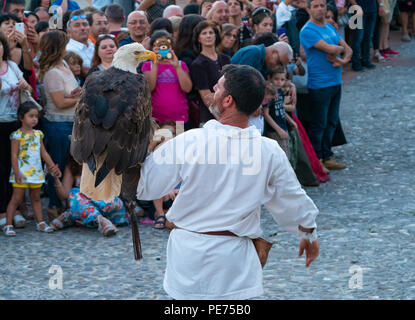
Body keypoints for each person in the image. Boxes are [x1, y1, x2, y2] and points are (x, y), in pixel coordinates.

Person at [136, 64, 320, 300]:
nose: (214, 88)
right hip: (235, 262)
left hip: (190, 261)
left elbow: (146, 186)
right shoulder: (269, 151)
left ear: (227, 101)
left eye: (219, 86)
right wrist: (309, 235)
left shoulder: (189, 141)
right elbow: (291, 200)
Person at [299, 0, 352, 171]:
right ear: (309, 9)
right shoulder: (308, 30)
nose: (320, 9)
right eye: (316, 6)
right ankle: (318, 158)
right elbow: (331, 48)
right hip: (319, 84)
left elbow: (348, 50)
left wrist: (341, 60)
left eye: (322, 5)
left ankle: (327, 155)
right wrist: (337, 51)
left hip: (336, 81)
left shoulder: (329, 28)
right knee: (319, 123)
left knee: (331, 121)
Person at [3, 102, 61, 236]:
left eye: (36, 116)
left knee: (35, 198)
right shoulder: (16, 136)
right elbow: (13, 155)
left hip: (35, 172)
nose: (34, 119)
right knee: (16, 199)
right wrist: (16, 172)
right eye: (31, 116)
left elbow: (44, 152)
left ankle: (40, 222)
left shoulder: (38, 134)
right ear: (21, 117)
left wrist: (52, 166)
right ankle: (8, 224)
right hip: (21, 172)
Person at [39, 30, 80, 218]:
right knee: (57, 164)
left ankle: (64, 203)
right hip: (57, 125)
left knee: (67, 165)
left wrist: (76, 94)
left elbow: (68, 95)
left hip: (70, 123)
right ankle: (54, 205)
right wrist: (81, 98)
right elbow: (60, 103)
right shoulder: (52, 73)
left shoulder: (63, 65)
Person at [49, 154, 128, 236]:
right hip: (84, 206)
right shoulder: (73, 166)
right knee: (75, 194)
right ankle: (101, 221)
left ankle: (68, 216)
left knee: (82, 197)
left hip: (105, 204)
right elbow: (64, 196)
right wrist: (56, 178)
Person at [0, 31, 33, 229]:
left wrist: (23, 85)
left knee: (15, 167)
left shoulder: (11, 66)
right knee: (1, 168)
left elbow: (28, 87)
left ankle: (15, 209)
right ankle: (3, 210)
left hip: (14, 121)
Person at [142, 30, 192, 124]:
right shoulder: (148, 65)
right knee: (159, 139)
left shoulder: (181, 64)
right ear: (152, 48)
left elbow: (187, 88)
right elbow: (149, 88)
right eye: (156, 45)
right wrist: (156, 62)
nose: (160, 48)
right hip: (156, 118)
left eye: (163, 45)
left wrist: (176, 66)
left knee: (180, 138)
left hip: (179, 117)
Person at [190, 20, 231, 125]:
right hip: (210, 119)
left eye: (211, 33)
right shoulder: (198, 64)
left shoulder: (226, 59)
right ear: (199, 38)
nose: (208, 36)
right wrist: (223, 120)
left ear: (215, 36)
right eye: (204, 33)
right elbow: (207, 99)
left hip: (230, 113)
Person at [349, 0, 384, 71]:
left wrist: (381, 5)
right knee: (358, 38)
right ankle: (356, 62)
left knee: (368, 37)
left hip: (372, 10)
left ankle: (366, 60)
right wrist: (357, 7)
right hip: (358, 11)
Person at [263, 68, 291, 158]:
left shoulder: (279, 92)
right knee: (280, 155)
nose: (279, 82)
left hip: (283, 126)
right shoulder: (269, 94)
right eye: (276, 79)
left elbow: (281, 108)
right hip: (274, 130)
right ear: (270, 78)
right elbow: (266, 114)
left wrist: (291, 121)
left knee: (287, 152)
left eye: (282, 80)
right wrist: (279, 130)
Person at [66, 10, 95, 75]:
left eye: (85, 24)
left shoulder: (94, 46)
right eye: (77, 25)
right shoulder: (69, 50)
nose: (82, 28)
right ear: (69, 32)